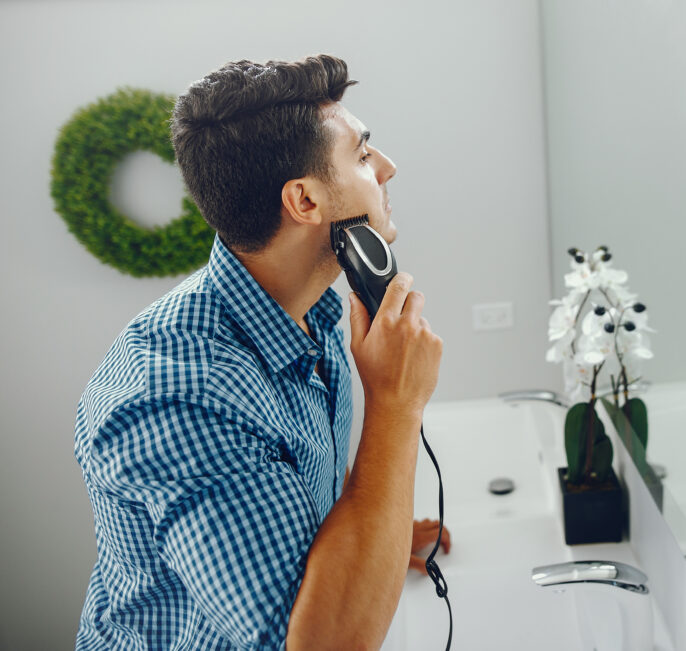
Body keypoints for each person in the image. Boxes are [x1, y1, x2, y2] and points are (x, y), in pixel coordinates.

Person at [73, 54, 448, 650]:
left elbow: (296, 495)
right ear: (303, 201)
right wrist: (397, 406)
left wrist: (378, 536)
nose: (387, 167)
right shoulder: (177, 398)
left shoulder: (317, 312)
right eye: (361, 153)